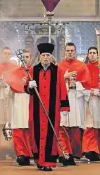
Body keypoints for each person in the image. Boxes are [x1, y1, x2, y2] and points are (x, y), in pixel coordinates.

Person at [25, 43, 69, 172]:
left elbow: (63, 89)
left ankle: (48, 162)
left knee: (50, 135)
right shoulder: (33, 71)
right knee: (36, 134)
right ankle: (39, 161)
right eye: (43, 55)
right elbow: (27, 89)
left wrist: (65, 107)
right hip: (36, 109)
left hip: (52, 110)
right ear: (40, 56)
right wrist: (30, 86)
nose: (45, 58)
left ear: (51, 57)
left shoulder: (58, 71)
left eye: (48, 55)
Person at [57, 42, 91, 164]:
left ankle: (74, 153)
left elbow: (87, 83)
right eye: (68, 50)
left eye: (72, 50)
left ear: (75, 52)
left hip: (77, 99)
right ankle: (64, 152)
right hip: (63, 98)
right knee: (63, 126)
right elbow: (54, 83)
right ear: (64, 52)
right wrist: (64, 77)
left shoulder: (82, 66)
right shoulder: (59, 66)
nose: (70, 52)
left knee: (76, 127)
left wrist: (75, 83)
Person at [7, 49, 33, 166]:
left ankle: (31, 153)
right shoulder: (14, 72)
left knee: (30, 129)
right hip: (18, 102)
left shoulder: (35, 71)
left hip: (30, 102)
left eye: (27, 57)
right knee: (18, 129)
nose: (25, 59)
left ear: (30, 58)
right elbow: (8, 90)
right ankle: (21, 153)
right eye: (23, 57)